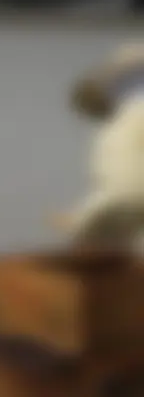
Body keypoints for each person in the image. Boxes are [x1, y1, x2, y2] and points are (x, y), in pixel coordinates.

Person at [60, 40, 144, 248]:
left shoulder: (123, 125)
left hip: (129, 123)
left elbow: (125, 191)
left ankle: (86, 221)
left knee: (122, 195)